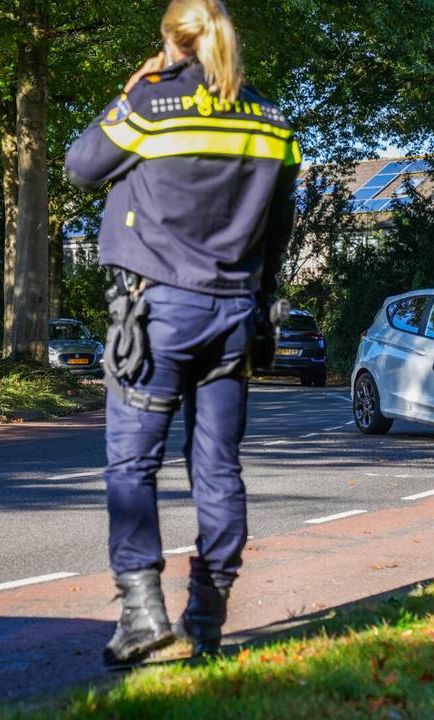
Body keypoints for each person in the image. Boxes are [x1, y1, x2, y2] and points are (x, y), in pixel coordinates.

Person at [65, 0, 301, 666]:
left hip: (158, 313)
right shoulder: (272, 121)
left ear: (170, 43)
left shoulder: (149, 104)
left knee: (132, 464)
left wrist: (132, 89)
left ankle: (143, 617)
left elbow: (81, 165)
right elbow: (280, 225)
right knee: (218, 468)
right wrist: (262, 294)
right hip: (234, 315)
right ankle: (208, 615)